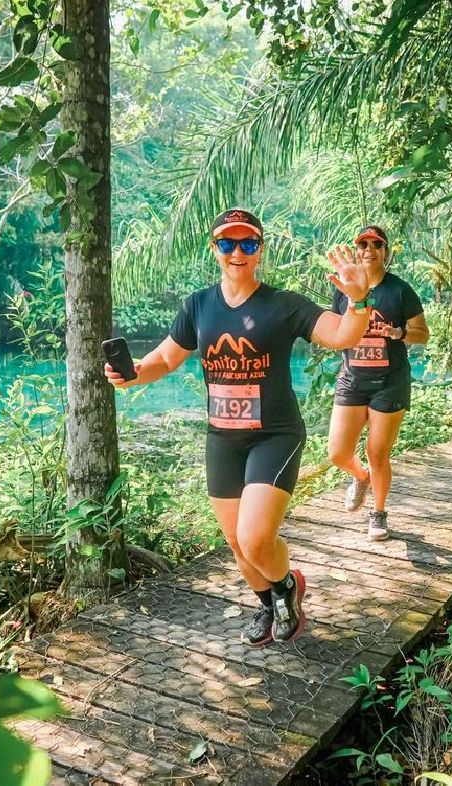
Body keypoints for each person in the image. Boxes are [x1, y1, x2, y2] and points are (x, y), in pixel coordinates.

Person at [105, 208, 371, 646]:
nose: (237, 252)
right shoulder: (198, 306)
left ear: (259, 251)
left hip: (275, 434)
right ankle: (268, 603)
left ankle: (287, 587)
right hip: (223, 439)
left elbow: (344, 335)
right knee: (234, 540)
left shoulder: (285, 305)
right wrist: (133, 372)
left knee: (255, 536)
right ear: (215, 250)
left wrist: (359, 301)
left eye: (248, 244)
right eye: (227, 243)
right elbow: (167, 358)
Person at [326, 225, 429, 541]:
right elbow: (336, 328)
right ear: (356, 251)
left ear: (385, 252)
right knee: (338, 453)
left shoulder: (400, 291)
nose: (369, 249)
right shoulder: (344, 288)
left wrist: (397, 333)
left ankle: (378, 514)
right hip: (352, 379)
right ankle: (360, 477)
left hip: (390, 382)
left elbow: (422, 334)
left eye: (376, 244)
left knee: (377, 452)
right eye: (363, 244)